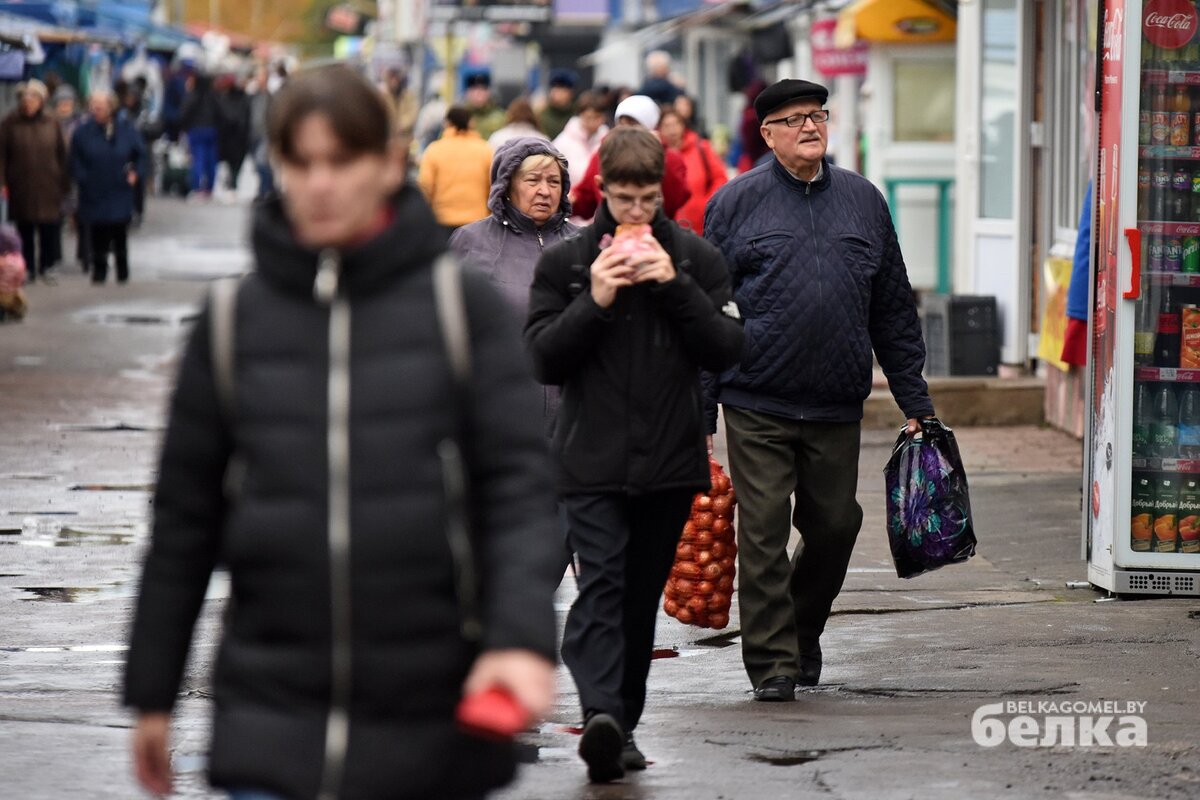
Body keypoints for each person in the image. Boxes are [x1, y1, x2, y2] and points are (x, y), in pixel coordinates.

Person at [123, 64, 561, 800]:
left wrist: (518, 640)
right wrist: (153, 693)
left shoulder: (461, 310)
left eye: (342, 160)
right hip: (268, 720)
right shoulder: (233, 323)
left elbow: (517, 489)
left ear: (390, 165)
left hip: (430, 720)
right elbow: (183, 522)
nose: (320, 183)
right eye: (301, 162)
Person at [703, 79, 935, 702]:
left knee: (836, 525)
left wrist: (917, 403)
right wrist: (702, 409)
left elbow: (892, 310)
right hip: (756, 398)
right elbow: (703, 308)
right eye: (794, 119)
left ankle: (802, 632)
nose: (810, 127)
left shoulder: (864, 202)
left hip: (836, 401)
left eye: (817, 115)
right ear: (768, 134)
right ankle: (774, 665)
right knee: (762, 532)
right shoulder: (735, 204)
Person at [525, 126, 743, 782]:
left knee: (638, 599)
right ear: (602, 193)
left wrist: (674, 286)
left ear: (663, 194)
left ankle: (622, 727)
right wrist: (594, 299)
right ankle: (600, 713)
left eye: (647, 200)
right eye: (623, 200)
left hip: (670, 461)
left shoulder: (697, 259)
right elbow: (541, 357)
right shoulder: (565, 263)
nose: (636, 214)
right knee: (604, 583)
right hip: (588, 459)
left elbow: (728, 349)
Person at [450, 137, 577, 434]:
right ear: (507, 184)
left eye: (554, 182)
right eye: (532, 180)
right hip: (499, 414)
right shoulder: (471, 242)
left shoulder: (583, 244)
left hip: (574, 419)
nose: (544, 191)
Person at [569, 95, 691, 222]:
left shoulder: (669, 158)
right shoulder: (605, 153)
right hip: (610, 234)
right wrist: (567, 201)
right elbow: (586, 198)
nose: (626, 129)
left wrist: (659, 155)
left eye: (633, 123)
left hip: (653, 233)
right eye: (621, 123)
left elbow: (675, 200)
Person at [69, 89, 146, 285]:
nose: (97, 110)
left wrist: (135, 173)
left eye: (101, 106)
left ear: (111, 107)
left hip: (119, 188)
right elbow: (75, 160)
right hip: (94, 190)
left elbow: (140, 154)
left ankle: (122, 271)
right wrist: (83, 178)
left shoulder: (126, 130)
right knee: (98, 233)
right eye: (94, 106)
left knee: (120, 232)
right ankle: (99, 270)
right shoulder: (83, 132)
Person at [0, 79, 69, 284]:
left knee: (49, 227)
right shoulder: (10, 123)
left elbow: (62, 153)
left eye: (33, 98)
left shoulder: (52, 122)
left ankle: (48, 265)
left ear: (41, 101)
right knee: (25, 228)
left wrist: (64, 181)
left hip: (49, 184)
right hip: (21, 184)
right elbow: (1, 156)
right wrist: (2, 182)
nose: (28, 102)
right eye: (25, 98)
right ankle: (28, 266)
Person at [418, 105, 493, 231]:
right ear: (471, 123)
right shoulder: (485, 150)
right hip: (477, 221)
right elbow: (493, 186)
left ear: (447, 123)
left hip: (443, 220)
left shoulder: (434, 150)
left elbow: (425, 187)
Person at [658, 107, 726, 235]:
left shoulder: (701, 147)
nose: (672, 130)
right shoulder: (657, 154)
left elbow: (720, 178)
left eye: (676, 124)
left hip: (703, 225)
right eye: (666, 125)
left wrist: (707, 205)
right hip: (669, 226)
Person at [552, 90, 608, 188]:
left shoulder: (607, 139)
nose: (592, 122)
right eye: (588, 117)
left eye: (597, 117)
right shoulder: (565, 140)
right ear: (580, 116)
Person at [181, 72, 220, 197]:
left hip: (196, 130)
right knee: (211, 161)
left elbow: (184, 112)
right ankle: (209, 188)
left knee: (198, 160)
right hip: (211, 131)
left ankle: (197, 188)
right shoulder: (213, 97)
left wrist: (185, 127)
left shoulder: (193, 95)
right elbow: (221, 113)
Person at [214, 73, 252, 197]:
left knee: (234, 163)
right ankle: (232, 184)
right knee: (234, 163)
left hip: (235, 136)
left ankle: (232, 184)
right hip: (236, 136)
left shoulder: (227, 98)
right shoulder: (240, 98)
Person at [464, 72, 506, 142]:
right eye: (474, 89)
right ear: (468, 92)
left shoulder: (500, 117)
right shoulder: (461, 116)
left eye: (482, 89)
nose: (478, 93)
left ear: (488, 92)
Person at [538, 69, 576, 141]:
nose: (559, 94)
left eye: (563, 90)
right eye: (556, 89)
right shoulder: (541, 116)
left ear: (571, 93)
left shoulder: (576, 115)